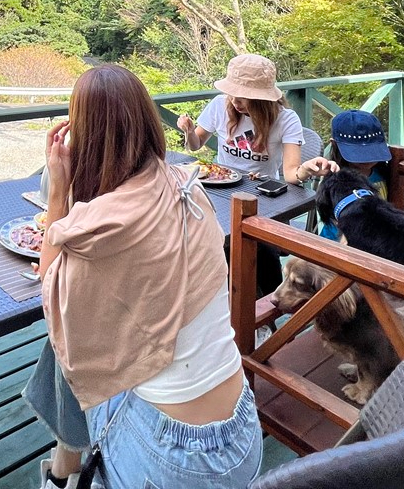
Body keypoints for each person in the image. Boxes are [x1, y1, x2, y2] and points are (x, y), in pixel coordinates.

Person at [36, 64, 263, 489]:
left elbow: (51, 292)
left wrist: (58, 190)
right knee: (81, 335)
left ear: (84, 135)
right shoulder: (188, 185)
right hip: (244, 433)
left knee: (68, 337)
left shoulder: (101, 227)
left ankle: (63, 469)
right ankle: (64, 464)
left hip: (175, 462)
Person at [296, 108, 404, 241]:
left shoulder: (384, 172)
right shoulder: (334, 176)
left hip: (376, 242)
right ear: (334, 145)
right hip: (337, 242)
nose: (368, 159)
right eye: (358, 153)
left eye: (372, 152)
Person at [176, 53, 304, 184]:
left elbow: (291, 175)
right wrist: (190, 132)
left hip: (262, 185)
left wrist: (305, 171)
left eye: (243, 96)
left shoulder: (286, 120)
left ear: (261, 98)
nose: (234, 102)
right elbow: (195, 145)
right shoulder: (219, 104)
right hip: (222, 180)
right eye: (231, 93)